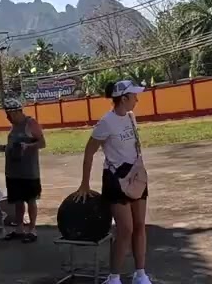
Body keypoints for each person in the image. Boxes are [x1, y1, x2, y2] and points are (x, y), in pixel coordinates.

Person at [73, 80, 152, 284]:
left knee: (140, 225)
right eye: (134, 95)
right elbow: (89, 152)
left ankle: (140, 274)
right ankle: (114, 277)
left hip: (136, 176)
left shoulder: (131, 117)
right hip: (115, 180)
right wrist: (84, 184)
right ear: (123, 98)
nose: (137, 99)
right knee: (125, 229)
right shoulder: (106, 122)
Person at [0, 98, 46, 242]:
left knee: (31, 200)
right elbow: (13, 144)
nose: (8, 118)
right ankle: (19, 228)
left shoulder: (30, 123)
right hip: (13, 171)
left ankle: (32, 229)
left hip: (29, 171)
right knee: (17, 201)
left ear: (18, 111)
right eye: (7, 115)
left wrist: (28, 146)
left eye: (10, 114)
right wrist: (4, 148)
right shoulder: (13, 127)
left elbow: (42, 143)